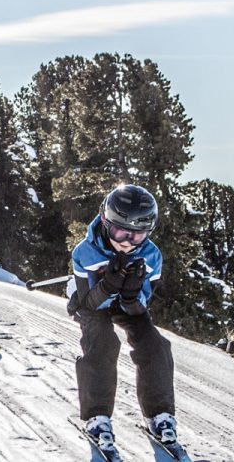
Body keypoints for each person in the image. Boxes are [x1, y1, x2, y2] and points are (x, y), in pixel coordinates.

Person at [68, 184, 177, 451]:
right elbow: (87, 306)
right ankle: (97, 416)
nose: (126, 242)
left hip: (124, 303)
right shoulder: (85, 252)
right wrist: (107, 286)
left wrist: (130, 296)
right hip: (90, 302)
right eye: (119, 231)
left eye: (136, 236)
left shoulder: (151, 256)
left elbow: (142, 305)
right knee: (103, 341)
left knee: (154, 344)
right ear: (105, 222)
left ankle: (159, 414)